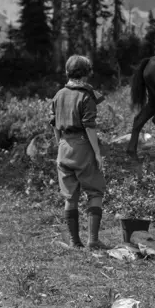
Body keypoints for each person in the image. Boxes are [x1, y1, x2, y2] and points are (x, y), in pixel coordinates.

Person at [50, 55, 109, 250]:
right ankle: (93, 240)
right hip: (83, 146)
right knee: (95, 191)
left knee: (70, 196)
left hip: (64, 147)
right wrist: (97, 153)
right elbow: (90, 127)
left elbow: (54, 124)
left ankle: (75, 242)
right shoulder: (86, 95)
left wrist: (61, 144)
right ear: (87, 74)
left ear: (67, 72)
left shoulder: (59, 94)